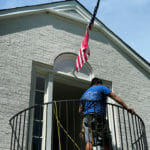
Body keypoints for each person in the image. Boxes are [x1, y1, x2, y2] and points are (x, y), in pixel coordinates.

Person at [78, 77, 135, 150]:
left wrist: (88, 111)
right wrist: (127, 107)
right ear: (98, 83)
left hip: (86, 117)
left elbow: (80, 110)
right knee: (106, 139)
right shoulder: (101, 87)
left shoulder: (85, 94)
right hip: (98, 115)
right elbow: (115, 97)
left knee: (89, 141)